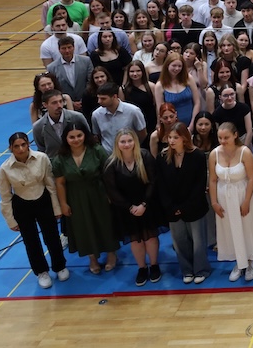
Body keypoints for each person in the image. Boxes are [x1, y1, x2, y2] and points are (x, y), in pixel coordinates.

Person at [0, 132, 69, 289]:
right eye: (16, 146)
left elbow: (50, 184)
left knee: (52, 237)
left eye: (23, 144)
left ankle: (60, 266)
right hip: (22, 205)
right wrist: (11, 220)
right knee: (31, 242)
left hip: (43, 201)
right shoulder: (5, 169)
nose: (21, 149)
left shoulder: (42, 158)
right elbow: (5, 197)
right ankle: (41, 272)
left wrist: (56, 208)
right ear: (10, 148)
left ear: (28, 144)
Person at [52, 122, 118, 273]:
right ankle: (92, 258)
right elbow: (60, 183)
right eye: (72, 137)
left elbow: (108, 175)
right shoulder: (60, 158)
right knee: (83, 228)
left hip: (98, 193)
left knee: (105, 224)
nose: (76, 140)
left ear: (85, 135)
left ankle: (111, 254)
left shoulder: (97, 150)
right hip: (76, 198)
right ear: (66, 138)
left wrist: (110, 195)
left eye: (79, 135)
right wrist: (63, 203)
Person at [103, 128, 163, 287]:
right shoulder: (111, 164)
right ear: (117, 144)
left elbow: (153, 181)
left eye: (129, 141)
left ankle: (154, 265)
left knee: (150, 237)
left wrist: (144, 204)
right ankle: (142, 268)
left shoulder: (144, 156)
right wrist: (130, 207)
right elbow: (112, 190)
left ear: (135, 141)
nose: (126, 144)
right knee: (135, 239)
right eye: (123, 141)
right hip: (126, 209)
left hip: (147, 204)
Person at [210, 122, 253, 282]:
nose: (222, 141)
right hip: (224, 196)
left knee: (247, 227)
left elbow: (251, 179)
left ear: (235, 135)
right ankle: (239, 262)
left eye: (226, 137)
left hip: (243, 194)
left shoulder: (245, 152)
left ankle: (250, 262)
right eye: (220, 138)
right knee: (230, 229)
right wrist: (214, 202)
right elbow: (213, 180)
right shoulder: (214, 154)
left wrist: (246, 201)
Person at [156, 122, 212, 283]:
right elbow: (161, 184)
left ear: (184, 139)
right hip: (172, 208)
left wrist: (185, 207)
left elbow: (199, 184)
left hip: (194, 206)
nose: (171, 141)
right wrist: (172, 206)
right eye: (170, 137)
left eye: (175, 137)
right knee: (179, 241)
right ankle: (187, 270)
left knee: (198, 241)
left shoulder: (197, 156)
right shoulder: (162, 157)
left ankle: (201, 269)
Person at [32, 88, 90, 158]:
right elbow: (42, 150)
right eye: (54, 103)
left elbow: (89, 139)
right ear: (45, 105)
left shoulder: (77, 117)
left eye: (61, 101)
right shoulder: (38, 127)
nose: (59, 105)